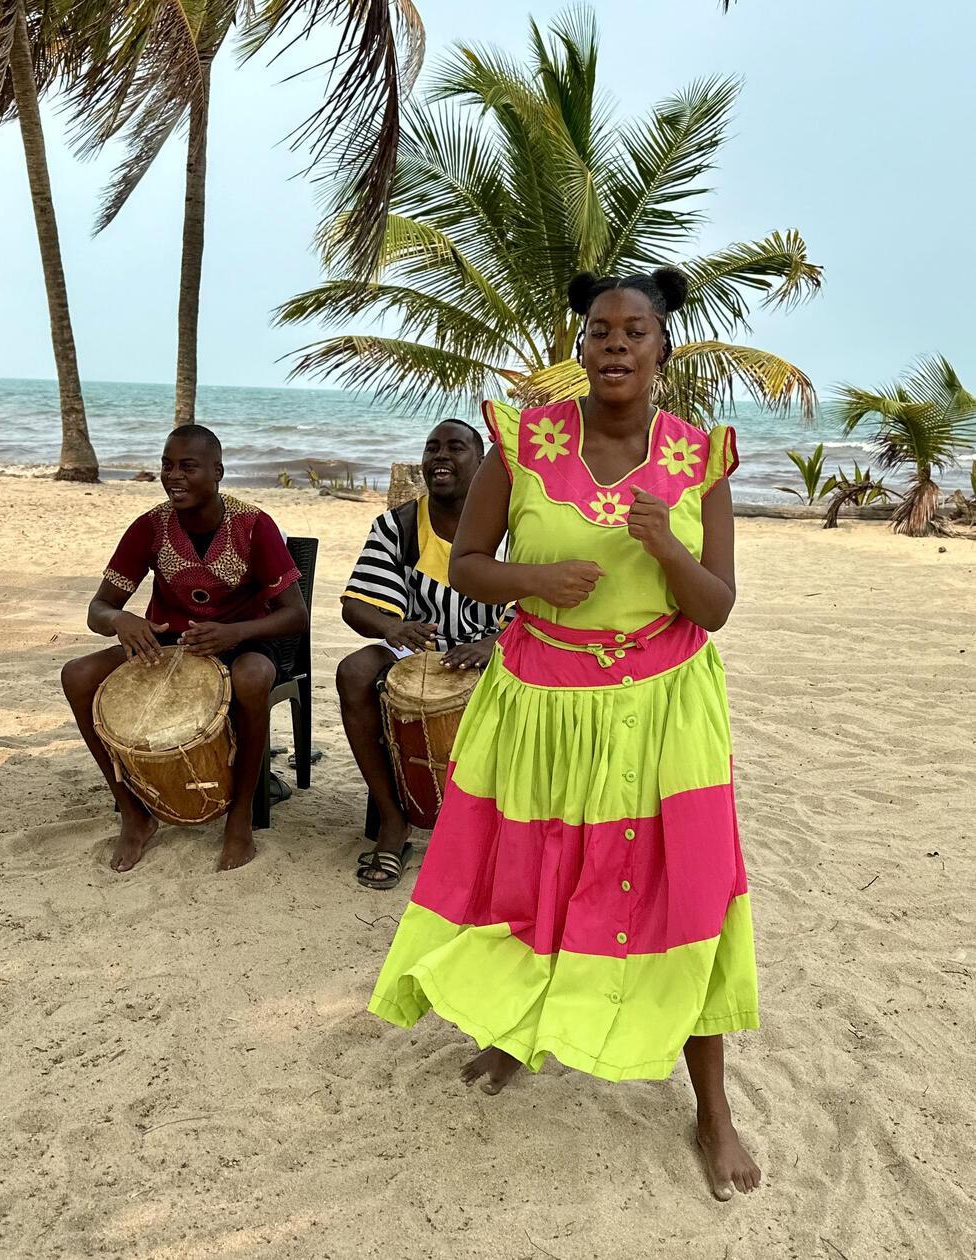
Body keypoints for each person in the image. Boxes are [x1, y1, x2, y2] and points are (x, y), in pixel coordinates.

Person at [367, 268, 762, 1200]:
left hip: (665, 705)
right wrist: (534, 583)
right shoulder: (524, 442)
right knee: (531, 874)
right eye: (598, 331)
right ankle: (515, 1036)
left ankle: (712, 1109)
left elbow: (716, 610)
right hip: (540, 700)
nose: (615, 345)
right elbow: (467, 566)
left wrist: (666, 547)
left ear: (665, 348)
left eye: (635, 331)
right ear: (581, 347)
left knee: (687, 888)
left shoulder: (699, 458)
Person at [61, 425, 308, 874]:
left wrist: (235, 633)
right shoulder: (150, 527)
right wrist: (121, 620)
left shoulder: (254, 526)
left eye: (187, 466)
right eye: (167, 465)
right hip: (170, 646)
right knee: (77, 675)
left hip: (244, 643)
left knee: (252, 678)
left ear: (217, 471)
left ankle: (240, 820)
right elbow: (98, 608)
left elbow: (296, 614)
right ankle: (134, 813)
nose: (173, 476)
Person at [337, 420, 504, 890]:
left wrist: (494, 644)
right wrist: (392, 626)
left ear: (483, 460)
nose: (440, 457)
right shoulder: (399, 525)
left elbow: (538, 609)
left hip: (500, 648)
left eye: (455, 447)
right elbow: (356, 604)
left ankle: (501, 828)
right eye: (432, 449)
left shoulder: (513, 525)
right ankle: (393, 820)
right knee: (354, 671)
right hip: (420, 651)